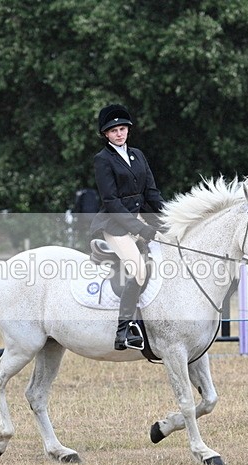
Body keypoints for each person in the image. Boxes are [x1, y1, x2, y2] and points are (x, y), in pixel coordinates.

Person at [89, 104, 165, 351]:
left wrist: (168, 219)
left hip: (140, 219)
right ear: (106, 135)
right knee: (139, 270)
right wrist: (138, 228)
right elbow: (111, 201)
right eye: (114, 131)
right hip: (115, 224)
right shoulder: (102, 160)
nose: (119, 134)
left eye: (122, 129)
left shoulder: (138, 155)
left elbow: (151, 192)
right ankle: (124, 330)